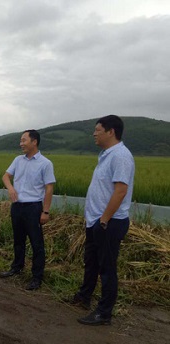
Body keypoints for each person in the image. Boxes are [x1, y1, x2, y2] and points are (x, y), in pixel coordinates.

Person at [74, 115, 135, 326]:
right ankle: (84, 297)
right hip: (96, 220)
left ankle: (104, 313)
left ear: (111, 131)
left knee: (107, 268)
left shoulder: (120, 156)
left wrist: (104, 220)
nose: (94, 133)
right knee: (91, 262)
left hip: (109, 222)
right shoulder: (106, 155)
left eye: (98, 130)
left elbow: (120, 191)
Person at [0, 129, 55, 290]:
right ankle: (16, 267)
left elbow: (49, 188)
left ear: (34, 142)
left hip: (33, 207)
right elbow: (5, 176)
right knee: (18, 240)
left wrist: (45, 211)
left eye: (24, 140)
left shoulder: (45, 163)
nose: (21, 143)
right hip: (17, 206)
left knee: (36, 243)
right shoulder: (18, 160)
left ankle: (37, 277)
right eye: (20, 140)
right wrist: (10, 188)